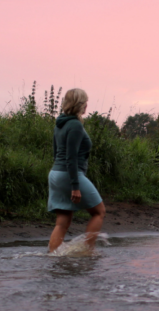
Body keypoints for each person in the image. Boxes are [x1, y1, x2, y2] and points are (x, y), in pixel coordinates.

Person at [47, 88, 106, 253]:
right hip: (69, 175)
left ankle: (53, 257)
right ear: (80, 104)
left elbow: (56, 152)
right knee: (99, 212)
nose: (87, 105)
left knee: (62, 221)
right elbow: (70, 157)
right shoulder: (74, 125)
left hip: (56, 174)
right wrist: (74, 185)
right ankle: (87, 251)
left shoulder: (60, 123)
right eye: (85, 102)